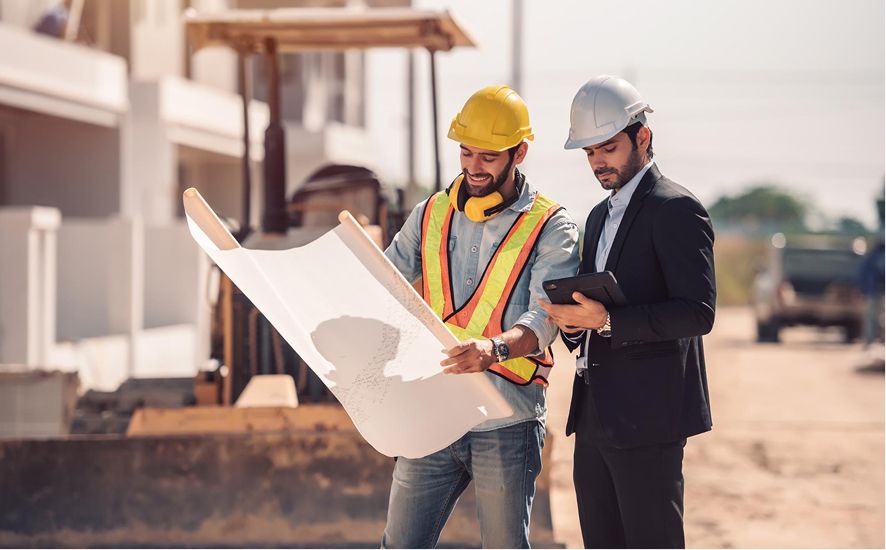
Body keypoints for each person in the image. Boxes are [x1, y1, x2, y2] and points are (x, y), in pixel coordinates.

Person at [381, 85, 580, 549]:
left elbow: (545, 318)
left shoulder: (551, 226)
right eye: (466, 153)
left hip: (507, 420)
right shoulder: (431, 213)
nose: (473, 167)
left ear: (519, 153)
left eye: (488, 157)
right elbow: (383, 283)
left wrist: (495, 349)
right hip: (433, 412)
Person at [538, 75, 716, 549]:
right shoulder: (598, 216)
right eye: (589, 152)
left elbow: (698, 312)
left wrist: (608, 321)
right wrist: (573, 323)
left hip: (651, 418)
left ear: (643, 137)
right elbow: (595, 308)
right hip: (594, 415)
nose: (598, 161)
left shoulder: (677, 208)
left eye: (608, 148)